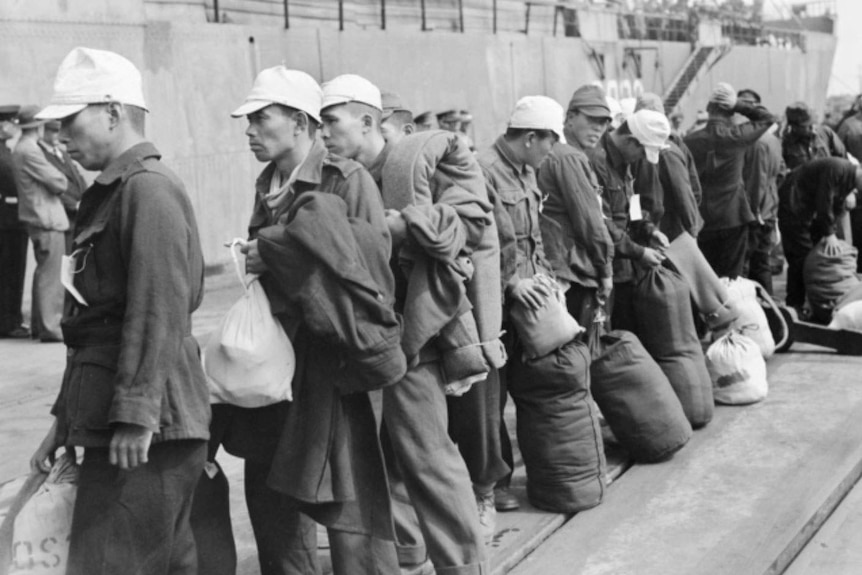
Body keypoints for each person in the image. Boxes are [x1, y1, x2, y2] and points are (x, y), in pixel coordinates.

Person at [206, 66, 404, 575]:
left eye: (259, 118)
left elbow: (370, 274)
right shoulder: (269, 181)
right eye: (246, 120)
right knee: (272, 491)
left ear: (299, 121)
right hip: (277, 364)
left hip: (333, 364)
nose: (249, 130)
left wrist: (276, 251)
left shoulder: (347, 179)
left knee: (348, 500)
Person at [29, 46, 210, 574]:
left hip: (148, 429)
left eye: (69, 120)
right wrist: (66, 418)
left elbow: (158, 310)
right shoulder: (111, 192)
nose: (61, 136)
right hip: (121, 418)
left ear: (112, 111)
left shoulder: (146, 191)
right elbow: (88, 323)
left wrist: (136, 415)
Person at [320, 73, 497, 575]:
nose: (324, 135)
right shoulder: (341, 178)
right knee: (384, 460)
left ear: (370, 122)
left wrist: (403, 226)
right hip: (366, 339)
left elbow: (473, 225)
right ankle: (409, 554)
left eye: (331, 122)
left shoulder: (416, 166)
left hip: (413, 340)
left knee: (428, 459)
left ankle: (464, 566)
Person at [478, 96, 563, 515]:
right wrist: (513, 284)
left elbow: (535, 236)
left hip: (532, 302)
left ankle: (536, 469)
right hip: (498, 305)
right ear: (531, 137)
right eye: (549, 142)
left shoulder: (526, 172)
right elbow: (481, 243)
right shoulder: (483, 171)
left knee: (531, 391)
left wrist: (547, 276)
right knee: (492, 399)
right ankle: (495, 483)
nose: (552, 151)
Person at [537, 84, 615, 329]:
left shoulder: (553, 152)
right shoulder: (569, 157)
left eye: (603, 123)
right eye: (592, 120)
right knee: (581, 353)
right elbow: (591, 223)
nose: (598, 128)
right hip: (571, 271)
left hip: (551, 265)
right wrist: (606, 270)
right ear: (570, 118)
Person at [585, 108, 671, 332]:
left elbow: (631, 205)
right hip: (602, 266)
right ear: (631, 141)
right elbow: (601, 222)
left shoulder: (625, 162)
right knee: (604, 330)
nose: (641, 159)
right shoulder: (596, 162)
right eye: (642, 153)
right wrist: (640, 253)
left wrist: (649, 230)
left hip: (623, 264)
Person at [684, 82, 776, 279]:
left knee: (707, 277)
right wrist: (739, 104)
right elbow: (768, 118)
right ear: (731, 111)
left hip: (703, 218)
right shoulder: (737, 136)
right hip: (734, 216)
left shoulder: (689, 140)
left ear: (709, 108)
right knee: (732, 279)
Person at [12, 105, 68, 342]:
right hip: (45, 217)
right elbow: (58, 181)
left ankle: (40, 324)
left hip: (37, 216)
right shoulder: (30, 150)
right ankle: (50, 326)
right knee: (51, 276)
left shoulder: (21, 148)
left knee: (44, 273)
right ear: (38, 125)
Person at [778, 157, 862, 314]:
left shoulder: (849, 180)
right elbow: (825, 198)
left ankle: (809, 304)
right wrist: (829, 234)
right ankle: (794, 307)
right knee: (800, 258)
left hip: (807, 210)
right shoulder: (837, 168)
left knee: (812, 256)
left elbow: (834, 206)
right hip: (794, 205)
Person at [632, 93, 703, 243]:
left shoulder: (665, 151)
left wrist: (692, 231)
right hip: (652, 229)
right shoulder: (671, 143)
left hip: (668, 231)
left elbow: (684, 192)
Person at [737, 88, 785, 295]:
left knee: (750, 265)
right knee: (761, 262)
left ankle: (762, 308)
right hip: (769, 209)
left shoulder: (755, 142)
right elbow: (781, 173)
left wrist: (753, 212)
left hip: (756, 214)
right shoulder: (773, 140)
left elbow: (755, 181)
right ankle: (769, 307)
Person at [0, 105, 30, 339]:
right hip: (7, 221)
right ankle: (8, 322)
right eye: (12, 122)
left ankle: (10, 320)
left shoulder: (6, 150)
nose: (15, 127)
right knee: (10, 272)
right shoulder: (3, 154)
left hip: (10, 218)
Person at [40, 119, 87, 252]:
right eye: (54, 131)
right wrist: (73, 205)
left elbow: (78, 177)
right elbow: (49, 187)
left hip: (76, 216)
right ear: (43, 131)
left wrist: (86, 198)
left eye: (60, 131)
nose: (59, 135)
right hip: (62, 216)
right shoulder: (40, 155)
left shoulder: (63, 153)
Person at [781, 101, 845, 171]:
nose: (812, 127)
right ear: (794, 127)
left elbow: (842, 157)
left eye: (812, 122)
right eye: (806, 125)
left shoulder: (825, 133)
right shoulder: (785, 143)